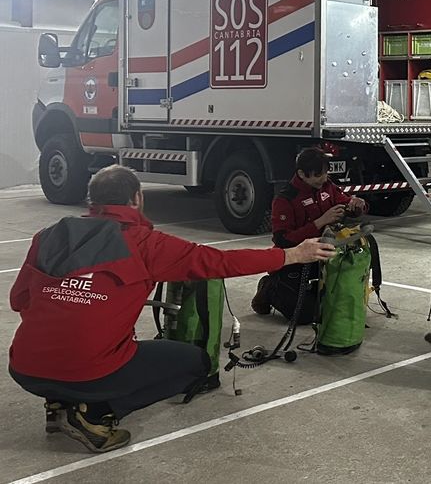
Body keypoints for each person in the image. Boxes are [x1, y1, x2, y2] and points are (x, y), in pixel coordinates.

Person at [8, 165, 335, 453]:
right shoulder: (144, 243)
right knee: (195, 365)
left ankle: (60, 402)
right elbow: (219, 262)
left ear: (92, 201)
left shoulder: (47, 236)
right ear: (136, 199)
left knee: (78, 360)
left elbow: (17, 301)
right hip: (91, 371)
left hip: (24, 367)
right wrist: (292, 255)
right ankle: (91, 414)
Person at [252, 147, 366, 320]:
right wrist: (320, 222)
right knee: (305, 314)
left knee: (338, 304)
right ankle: (270, 288)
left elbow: (347, 203)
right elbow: (283, 240)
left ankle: (313, 291)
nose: (324, 178)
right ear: (302, 174)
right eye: (318, 175)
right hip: (295, 259)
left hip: (325, 255)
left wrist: (357, 205)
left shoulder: (328, 187)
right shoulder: (285, 199)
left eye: (326, 173)